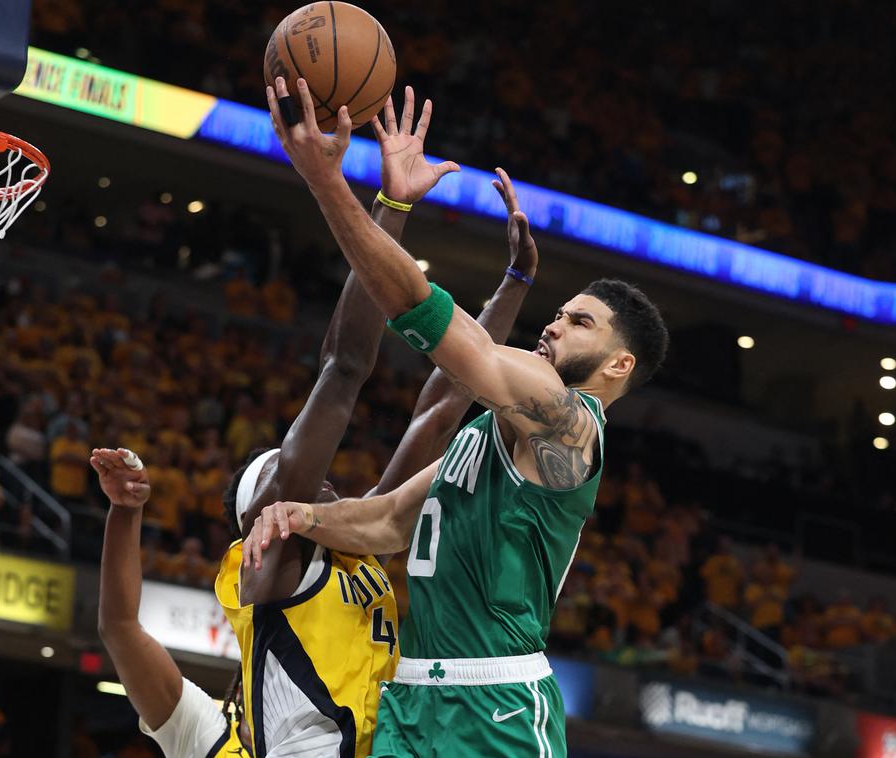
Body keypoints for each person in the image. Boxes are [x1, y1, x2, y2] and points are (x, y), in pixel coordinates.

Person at [96, 88, 538, 758]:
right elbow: (342, 368)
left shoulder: (353, 546)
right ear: (260, 519)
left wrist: (514, 284)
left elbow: (445, 404)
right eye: (281, 472)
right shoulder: (274, 563)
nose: (312, 472)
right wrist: (389, 209)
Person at [251, 77, 669, 757]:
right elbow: (389, 520)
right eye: (558, 313)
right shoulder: (487, 434)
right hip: (413, 703)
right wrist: (303, 517)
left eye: (581, 322)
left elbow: (448, 335)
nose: (555, 326)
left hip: (498, 707)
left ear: (618, 365)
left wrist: (330, 182)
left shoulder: (570, 421)